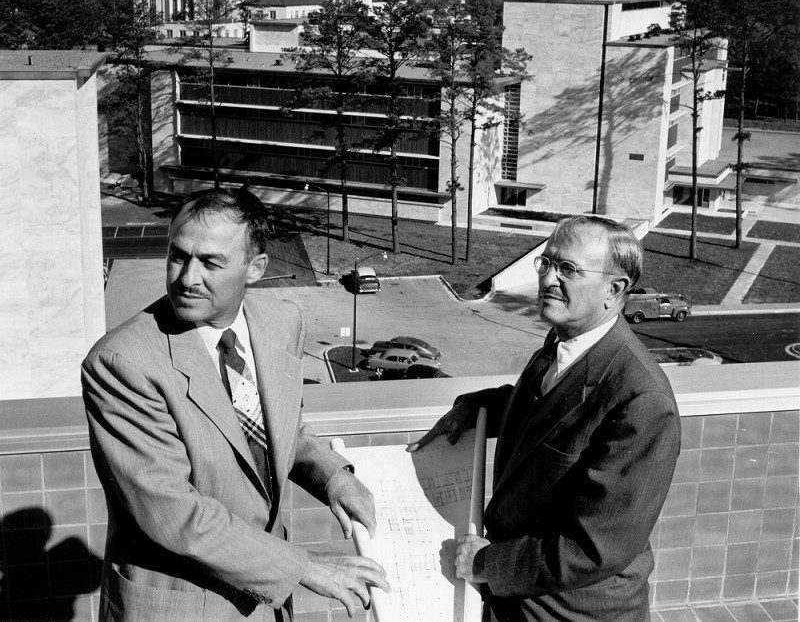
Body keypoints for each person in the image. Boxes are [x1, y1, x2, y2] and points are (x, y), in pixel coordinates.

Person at [82, 187, 389, 622]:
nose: (187, 278)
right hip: (179, 607)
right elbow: (172, 512)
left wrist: (334, 477)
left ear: (255, 268)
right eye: (178, 256)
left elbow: (273, 424)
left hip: (262, 604)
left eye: (210, 263)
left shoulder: (283, 322)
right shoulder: (122, 362)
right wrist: (304, 567)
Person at [408, 215, 680, 621]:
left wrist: (486, 564)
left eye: (569, 269)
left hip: (570, 610)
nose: (549, 279)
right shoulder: (566, 337)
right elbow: (553, 412)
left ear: (614, 290)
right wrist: (479, 407)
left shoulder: (642, 400)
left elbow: (595, 547)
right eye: (547, 263)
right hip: (523, 594)